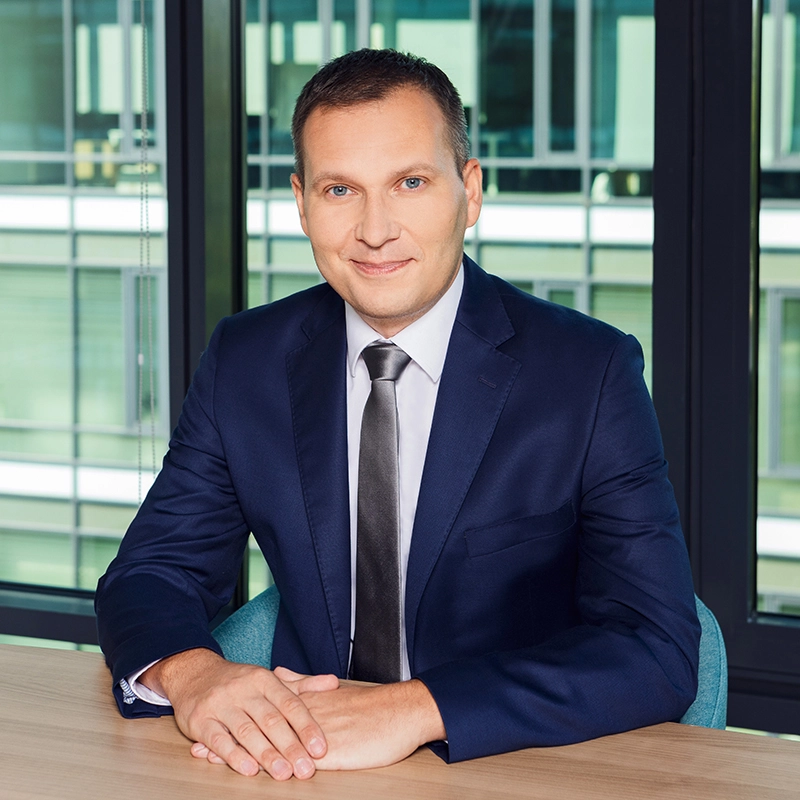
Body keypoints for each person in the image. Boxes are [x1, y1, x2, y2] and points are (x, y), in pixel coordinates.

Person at [96, 48, 700, 782]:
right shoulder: (246, 360)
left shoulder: (589, 373)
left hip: (510, 768)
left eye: (410, 183)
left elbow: (654, 647)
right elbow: (153, 570)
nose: (375, 230)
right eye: (340, 190)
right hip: (304, 765)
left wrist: (413, 708)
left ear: (469, 192)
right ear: (301, 203)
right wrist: (194, 674)